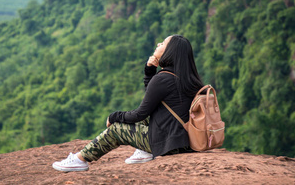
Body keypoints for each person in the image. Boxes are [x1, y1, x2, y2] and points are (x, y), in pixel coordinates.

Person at [52, 35, 204, 172]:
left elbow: (140, 114)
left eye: (163, 43)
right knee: (151, 113)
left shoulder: (164, 79)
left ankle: (80, 160)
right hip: (184, 141)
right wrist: (150, 71)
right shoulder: (190, 78)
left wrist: (114, 117)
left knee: (117, 129)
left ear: (170, 52)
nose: (158, 44)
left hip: (168, 143)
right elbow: (156, 100)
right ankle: (145, 150)